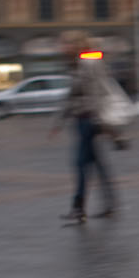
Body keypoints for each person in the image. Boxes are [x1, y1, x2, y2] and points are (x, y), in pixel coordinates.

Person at [47, 30, 119, 223]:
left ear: (76, 45)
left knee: (80, 163)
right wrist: (59, 122)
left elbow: (96, 93)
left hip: (89, 120)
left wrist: (100, 121)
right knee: (96, 163)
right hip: (82, 119)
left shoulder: (88, 62)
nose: (62, 47)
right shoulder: (76, 64)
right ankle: (110, 204)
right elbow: (72, 97)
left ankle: (78, 208)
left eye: (65, 44)